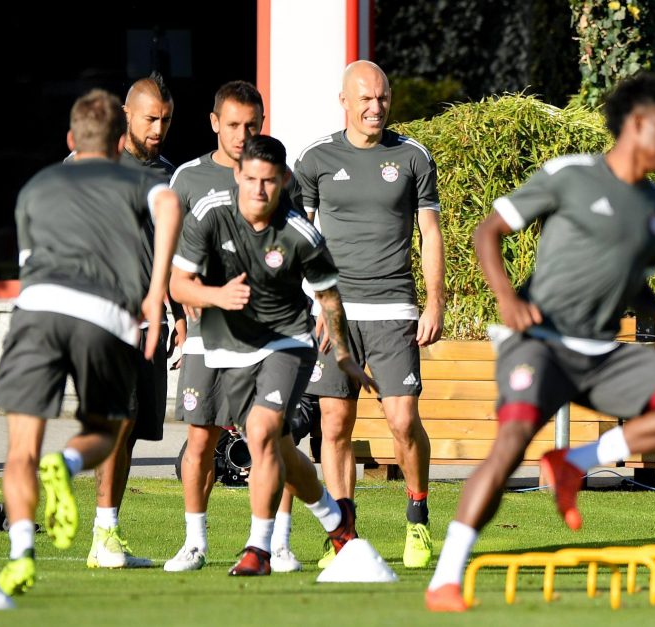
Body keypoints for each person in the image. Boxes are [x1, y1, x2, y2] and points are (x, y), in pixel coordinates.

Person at [425, 73, 655, 612]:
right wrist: (507, 299)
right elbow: (486, 232)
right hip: (538, 342)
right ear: (636, 125)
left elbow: (631, 284)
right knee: (511, 442)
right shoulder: (571, 176)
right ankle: (446, 576)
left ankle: (576, 460)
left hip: (600, 354)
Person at [0, 89, 182, 595]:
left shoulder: (37, 185)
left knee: (19, 449)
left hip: (35, 312)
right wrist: (157, 291)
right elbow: (169, 211)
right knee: (109, 427)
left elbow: (25, 256)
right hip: (103, 314)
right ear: (120, 135)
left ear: (72, 138)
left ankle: (20, 555)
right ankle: (70, 463)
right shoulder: (139, 177)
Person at [169, 134, 374, 575]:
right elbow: (178, 284)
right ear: (237, 175)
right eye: (250, 179)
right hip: (220, 335)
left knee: (260, 430)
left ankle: (260, 550)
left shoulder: (301, 232)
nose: (258, 191)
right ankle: (335, 519)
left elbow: (330, 298)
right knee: (254, 444)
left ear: (282, 180)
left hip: (284, 341)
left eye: (268, 181)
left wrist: (343, 356)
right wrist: (216, 295)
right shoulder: (209, 213)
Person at [295, 60, 445, 569]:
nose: (374, 107)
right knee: (334, 425)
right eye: (364, 98)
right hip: (334, 313)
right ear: (343, 101)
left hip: (393, 308)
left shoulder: (412, 157)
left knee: (403, 421)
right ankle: (343, 533)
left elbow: (430, 234)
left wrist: (435, 301)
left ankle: (419, 516)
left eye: (381, 97)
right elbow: (301, 238)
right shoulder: (314, 159)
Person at [164, 80, 306, 573]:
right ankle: (194, 543)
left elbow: (300, 250)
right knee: (200, 439)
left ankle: (274, 543)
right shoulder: (187, 179)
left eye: (252, 125)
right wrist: (177, 319)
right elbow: (170, 260)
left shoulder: (280, 178)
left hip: (268, 337)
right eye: (233, 125)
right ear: (213, 123)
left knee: (271, 435)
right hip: (207, 333)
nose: (243, 135)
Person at [83, 72, 186, 570]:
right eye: (150, 118)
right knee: (117, 420)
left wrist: (180, 314)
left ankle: (108, 532)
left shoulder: (170, 174)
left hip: (151, 321)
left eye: (165, 119)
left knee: (132, 429)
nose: (158, 128)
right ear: (126, 114)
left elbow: (174, 256)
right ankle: (102, 536)